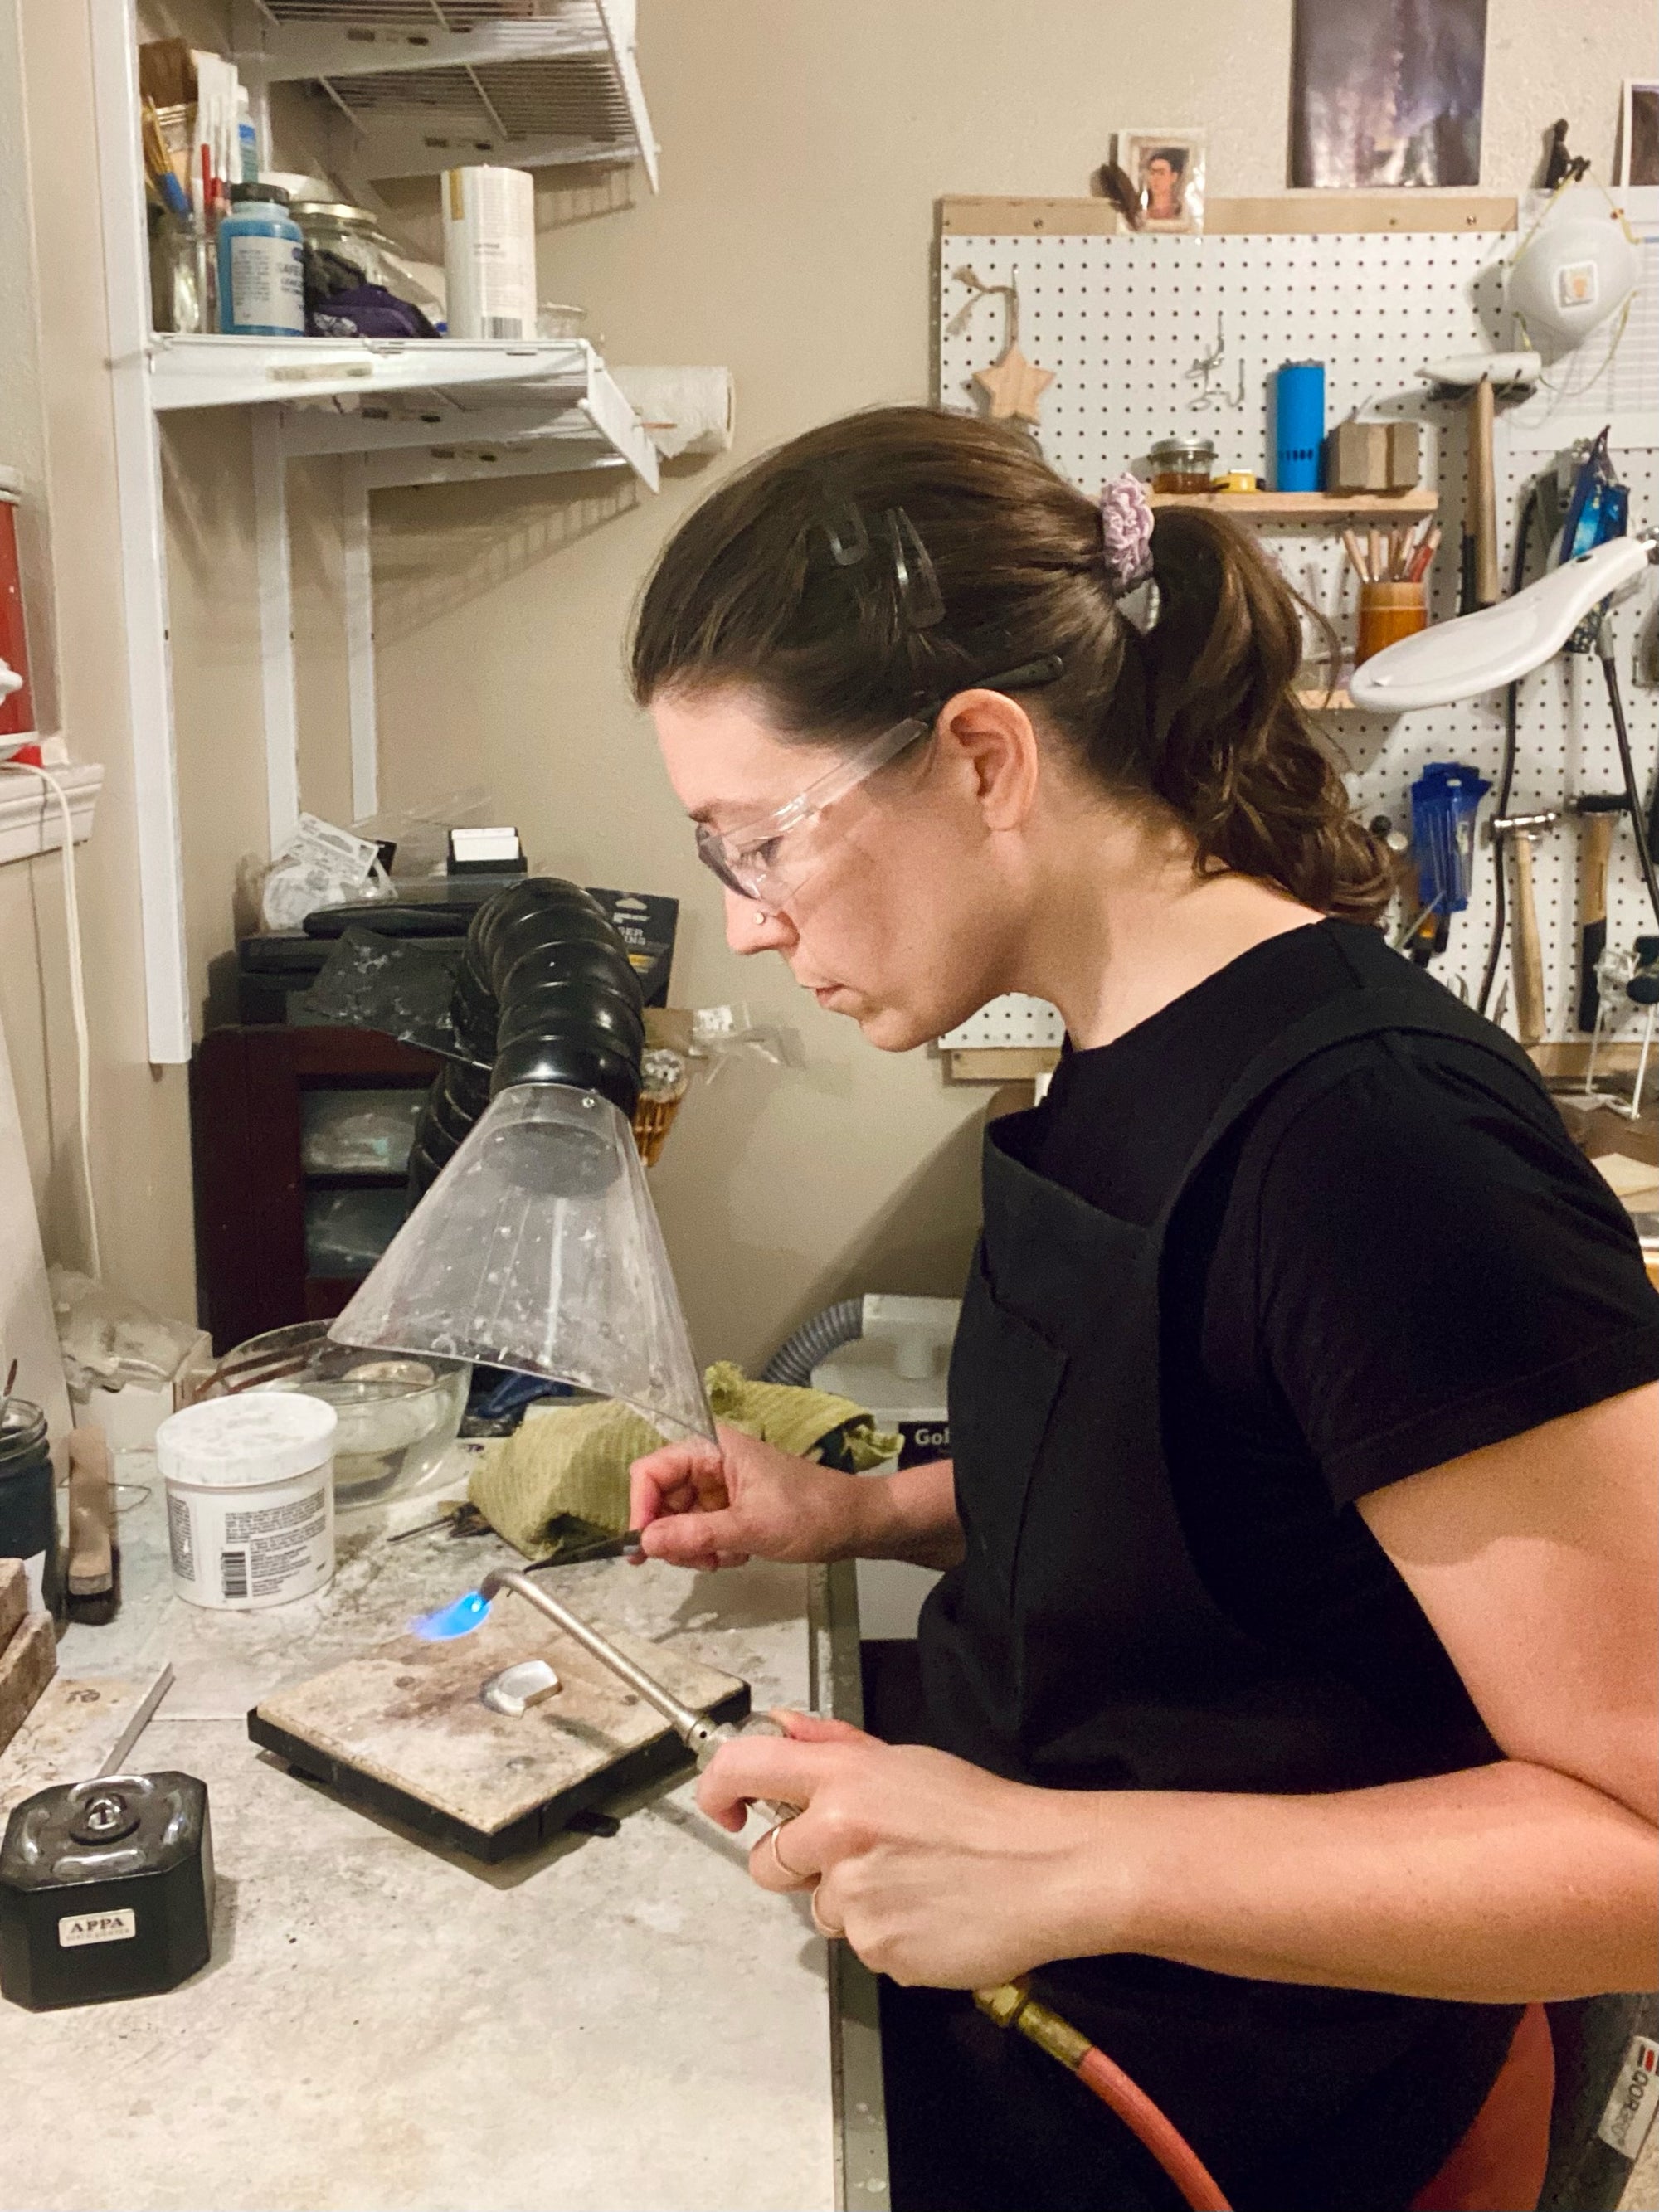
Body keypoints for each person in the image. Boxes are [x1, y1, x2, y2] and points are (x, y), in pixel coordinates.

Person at [625, 406, 1659, 2212]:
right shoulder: (1104, 1056)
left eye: (753, 841)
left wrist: (1064, 1857)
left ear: (978, 757)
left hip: (1297, 2122)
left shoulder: (1375, 1144)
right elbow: (1210, 1483)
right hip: (1065, 2048)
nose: (748, 925)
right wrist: (861, 1507)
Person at [1141, 145, 1187, 223]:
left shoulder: (1181, 213)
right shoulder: (1142, 212)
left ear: (1173, 177)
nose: (1155, 178)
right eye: (1152, 173)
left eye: (1161, 173)